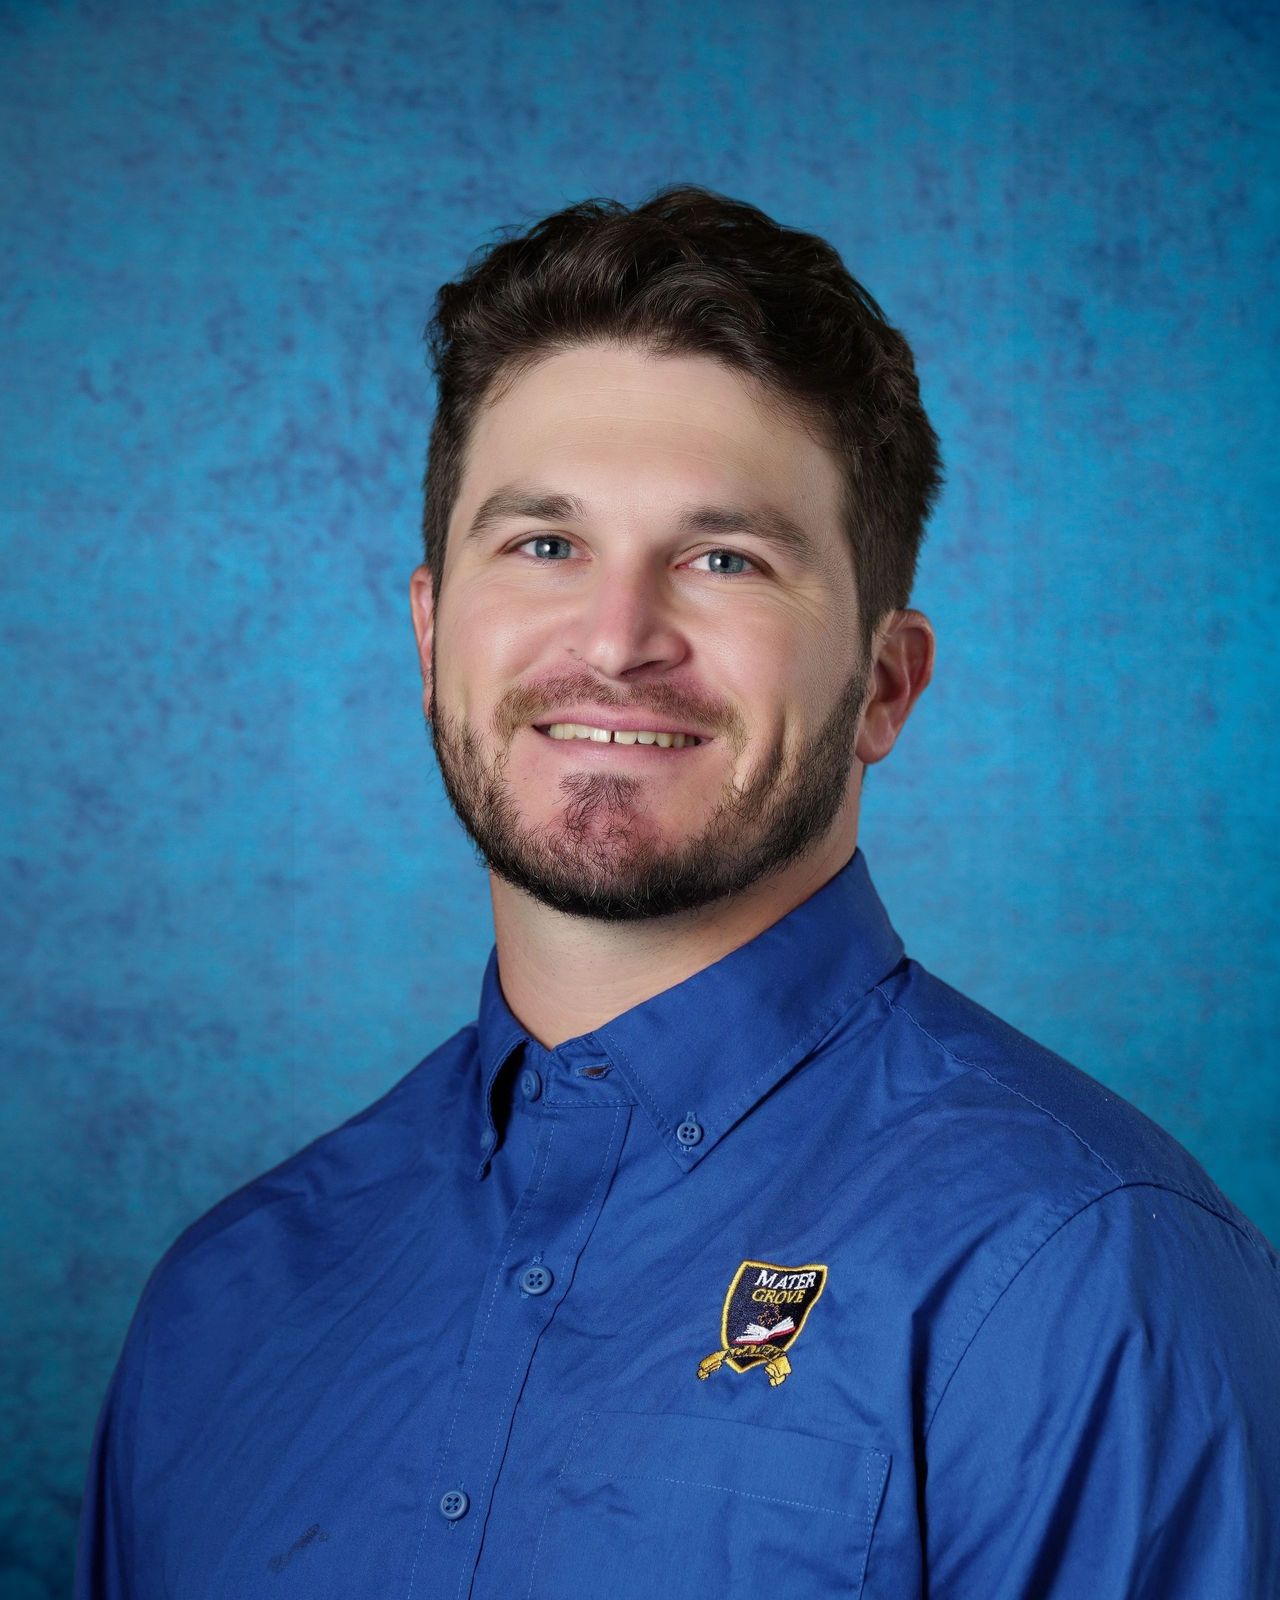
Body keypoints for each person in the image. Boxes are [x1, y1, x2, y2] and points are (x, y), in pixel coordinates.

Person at [77, 185, 1279, 1599]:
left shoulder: (1085, 1275)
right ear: (430, 631)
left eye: (724, 560)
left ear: (884, 684)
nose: (616, 640)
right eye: (545, 544)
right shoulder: (221, 1308)